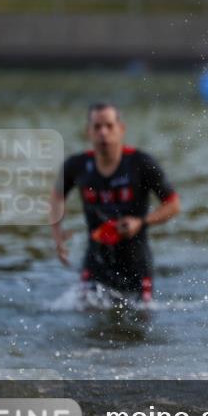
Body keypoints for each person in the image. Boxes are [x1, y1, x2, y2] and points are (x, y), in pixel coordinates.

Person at [50, 103, 181, 303]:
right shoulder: (76, 166)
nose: (103, 132)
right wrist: (58, 236)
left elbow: (173, 205)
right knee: (87, 320)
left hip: (137, 263)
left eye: (109, 126)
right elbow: (56, 198)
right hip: (96, 262)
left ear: (121, 129)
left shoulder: (141, 163)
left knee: (141, 324)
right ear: (88, 132)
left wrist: (141, 222)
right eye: (97, 127)